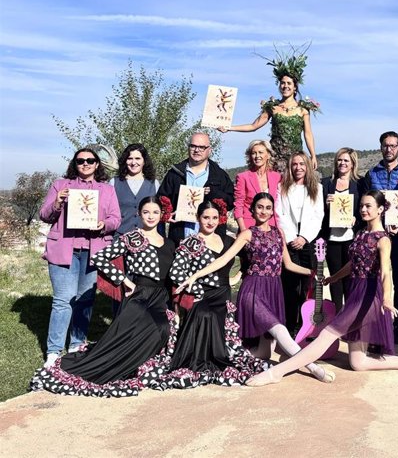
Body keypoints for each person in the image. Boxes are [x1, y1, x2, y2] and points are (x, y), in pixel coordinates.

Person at [245, 191, 398, 387]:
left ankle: (276, 373)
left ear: (380, 209)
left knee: (326, 335)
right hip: (356, 293)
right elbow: (353, 263)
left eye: (368, 206)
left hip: (369, 297)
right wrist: (333, 277)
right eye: (361, 205)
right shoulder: (362, 233)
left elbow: (386, 272)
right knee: (358, 362)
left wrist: (387, 299)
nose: (363, 209)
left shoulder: (383, 239)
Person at [179, 192, 333, 383]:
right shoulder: (247, 234)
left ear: (272, 211)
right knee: (280, 330)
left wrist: (312, 272)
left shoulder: (279, 233)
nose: (263, 211)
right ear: (253, 209)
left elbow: (289, 265)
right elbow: (223, 260)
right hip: (253, 290)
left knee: (265, 351)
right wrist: (195, 275)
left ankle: (225, 353)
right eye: (260, 207)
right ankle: (312, 366)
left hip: (273, 290)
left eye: (268, 208)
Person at [30, 197, 177, 397]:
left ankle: (141, 362)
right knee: (154, 327)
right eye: (146, 212)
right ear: (139, 214)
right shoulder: (132, 237)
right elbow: (99, 258)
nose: (151, 216)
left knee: (163, 328)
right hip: (139, 294)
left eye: (155, 212)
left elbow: (174, 276)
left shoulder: (169, 244)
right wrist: (124, 281)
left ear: (162, 215)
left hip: (160, 297)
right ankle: (124, 364)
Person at [161, 200, 268, 388]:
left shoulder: (228, 240)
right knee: (204, 314)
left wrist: (237, 277)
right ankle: (200, 359)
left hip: (224, 294)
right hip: (201, 295)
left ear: (220, 219)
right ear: (197, 218)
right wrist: (196, 290)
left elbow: (249, 259)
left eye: (214, 218)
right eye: (205, 217)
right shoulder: (190, 243)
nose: (210, 222)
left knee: (220, 316)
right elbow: (176, 273)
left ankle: (223, 355)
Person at [38, 148, 121, 368]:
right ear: (75, 164)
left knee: (85, 300)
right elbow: (44, 215)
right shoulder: (60, 185)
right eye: (80, 160)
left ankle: (76, 344)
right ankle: (54, 351)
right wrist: (57, 202)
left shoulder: (106, 190)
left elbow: (116, 218)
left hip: (93, 252)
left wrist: (104, 225)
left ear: (97, 164)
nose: (85, 164)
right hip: (64, 250)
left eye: (90, 160)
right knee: (63, 300)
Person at [221, 45, 321, 172]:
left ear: (295, 87)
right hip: (275, 158)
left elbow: (308, 134)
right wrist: (229, 128)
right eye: (282, 83)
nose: (285, 86)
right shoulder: (272, 107)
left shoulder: (303, 109)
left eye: (289, 83)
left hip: (295, 159)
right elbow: (254, 126)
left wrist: (313, 155)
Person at [363, 131, 398, 345]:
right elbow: (366, 203)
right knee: (375, 278)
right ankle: (376, 323)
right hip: (376, 235)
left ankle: (397, 325)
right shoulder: (371, 174)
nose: (389, 149)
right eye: (385, 145)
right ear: (380, 147)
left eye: (393, 146)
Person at [276, 151, 324, 333]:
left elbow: (318, 215)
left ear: (308, 166)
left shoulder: (316, 188)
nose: (298, 168)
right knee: (290, 285)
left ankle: (307, 325)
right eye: (295, 164)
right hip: (289, 242)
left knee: (309, 284)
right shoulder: (282, 187)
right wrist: (290, 238)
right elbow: (279, 214)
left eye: (302, 164)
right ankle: (289, 325)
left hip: (308, 241)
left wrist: (304, 237)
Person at [157, 132, 234, 246]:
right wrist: (166, 215)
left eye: (202, 147)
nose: (197, 150)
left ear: (209, 150)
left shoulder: (220, 175)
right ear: (188, 148)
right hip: (180, 239)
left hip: (211, 241)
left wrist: (214, 193)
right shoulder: (175, 173)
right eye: (193, 146)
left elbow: (231, 202)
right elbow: (161, 200)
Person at [319, 147, 364, 312]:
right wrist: (326, 204)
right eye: (340, 159)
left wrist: (356, 219)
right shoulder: (325, 183)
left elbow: (365, 208)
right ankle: (337, 315)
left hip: (351, 237)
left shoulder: (359, 183)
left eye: (346, 160)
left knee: (351, 278)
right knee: (334, 278)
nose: (342, 163)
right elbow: (317, 211)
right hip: (332, 238)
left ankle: (350, 316)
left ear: (353, 163)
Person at [110, 143, 160, 238]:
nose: (133, 162)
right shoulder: (114, 182)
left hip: (147, 238)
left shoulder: (154, 184)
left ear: (144, 161)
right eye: (130, 159)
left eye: (137, 158)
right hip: (120, 237)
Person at [233, 140, 282, 232]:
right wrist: (243, 230)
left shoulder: (277, 177)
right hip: (249, 226)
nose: (257, 156)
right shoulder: (243, 177)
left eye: (261, 152)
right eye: (254, 153)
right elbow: (238, 205)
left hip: (271, 226)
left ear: (268, 155)